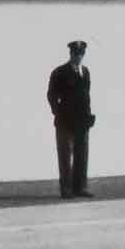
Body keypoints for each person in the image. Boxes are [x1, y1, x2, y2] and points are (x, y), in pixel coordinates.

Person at [46, 39, 95, 199]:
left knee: (82, 154)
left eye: (81, 54)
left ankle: (80, 187)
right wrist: (58, 112)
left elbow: (86, 96)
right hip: (65, 121)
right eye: (75, 53)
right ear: (71, 54)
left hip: (82, 120)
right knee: (65, 155)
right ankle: (66, 189)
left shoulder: (85, 72)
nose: (78, 56)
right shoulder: (59, 72)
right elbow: (51, 95)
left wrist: (88, 115)